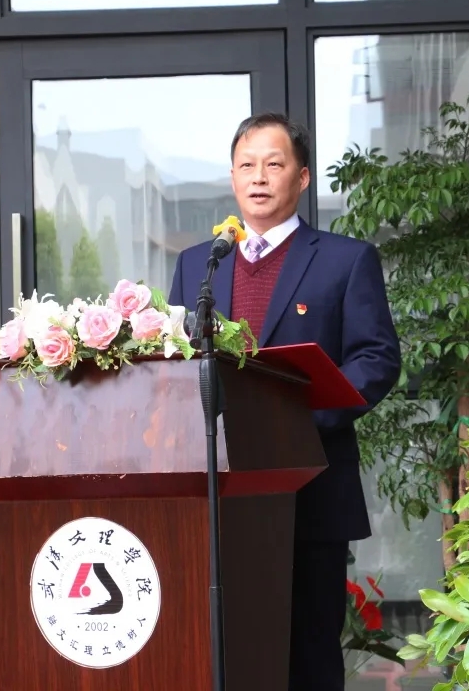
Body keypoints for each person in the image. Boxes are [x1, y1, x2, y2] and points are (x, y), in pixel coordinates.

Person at [168, 112, 401, 690]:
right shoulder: (199, 263)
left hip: (310, 484)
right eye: (246, 165)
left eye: (274, 164)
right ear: (232, 177)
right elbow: (174, 363)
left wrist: (295, 422)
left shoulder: (346, 259)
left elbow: (376, 359)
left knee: (308, 652)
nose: (259, 177)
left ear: (301, 177)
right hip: (216, 492)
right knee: (218, 647)